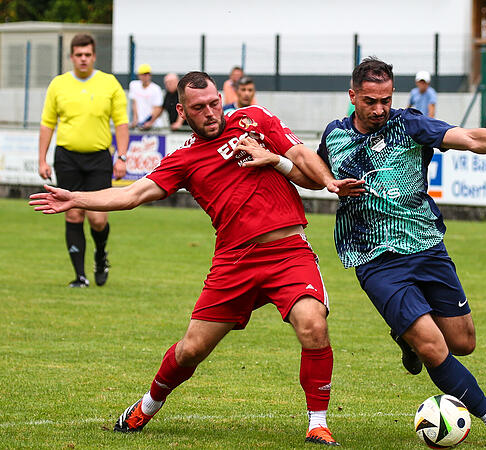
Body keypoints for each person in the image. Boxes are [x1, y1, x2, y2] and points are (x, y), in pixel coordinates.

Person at [30, 71, 364, 446]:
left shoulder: (254, 120)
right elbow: (132, 194)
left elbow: (301, 155)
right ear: (182, 111)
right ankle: (148, 404)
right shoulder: (184, 159)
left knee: (313, 325)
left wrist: (325, 180)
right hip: (234, 262)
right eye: (199, 107)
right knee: (192, 349)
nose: (210, 112)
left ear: (221, 98)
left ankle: (318, 424)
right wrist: (76, 198)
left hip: (288, 252)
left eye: (214, 103)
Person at [316, 57, 486, 449]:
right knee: (433, 346)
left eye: (386, 100)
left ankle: (406, 338)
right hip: (375, 259)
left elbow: (470, 139)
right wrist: (298, 170)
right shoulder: (335, 135)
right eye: (370, 101)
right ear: (353, 96)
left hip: (426, 247)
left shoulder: (409, 125)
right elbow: (312, 169)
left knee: (463, 342)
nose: (380, 109)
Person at [37, 33, 129, 288]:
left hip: (99, 158)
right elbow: (47, 124)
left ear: (94, 56)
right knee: (73, 213)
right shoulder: (58, 84)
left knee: (98, 219)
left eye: (87, 54)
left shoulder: (109, 84)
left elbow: (121, 123)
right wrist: (42, 159)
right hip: (67, 157)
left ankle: (100, 256)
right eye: (78, 55)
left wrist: (121, 156)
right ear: (71, 57)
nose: (83, 59)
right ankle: (80, 277)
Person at [129, 63, 164, 130]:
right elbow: (134, 103)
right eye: (143, 74)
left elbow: (157, 108)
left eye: (147, 74)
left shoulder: (156, 89)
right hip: (140, 124)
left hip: (154, 125)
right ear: (139, 75)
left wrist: (150, 122)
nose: (145, 76)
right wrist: (135, 119)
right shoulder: (134, 85)